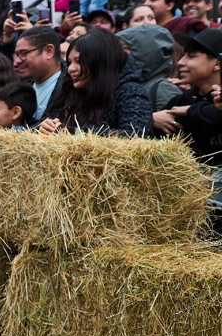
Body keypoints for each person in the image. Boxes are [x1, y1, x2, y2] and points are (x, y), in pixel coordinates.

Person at [154, 29, 222, 231]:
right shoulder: (180, 101)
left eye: (191, 56)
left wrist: (193, 111)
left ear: (216, 63)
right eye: (182, 55)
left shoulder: (192, 105)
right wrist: (152, 119)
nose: (181, 62)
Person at [40, 28, 152, 136]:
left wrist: (72, 132)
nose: (71, 69)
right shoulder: (71, 91)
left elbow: (133, 136)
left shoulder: (131, 93)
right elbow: (47, 122)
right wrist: (45, 126)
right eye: (69, 62)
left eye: (79, 61)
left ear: (100, 63)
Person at [117, 23, 184, 110]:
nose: (119, 53)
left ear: (144, 51)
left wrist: (152, 120)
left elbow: (170, 121)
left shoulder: (164, 89)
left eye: (124, 48)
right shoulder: (134, 83)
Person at [13, 27, 67, 123]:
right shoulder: (22, 88)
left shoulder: (70, 88)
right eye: (16, 55)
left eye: (23, 53)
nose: (16, 62)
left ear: (49, 51)